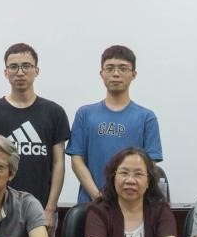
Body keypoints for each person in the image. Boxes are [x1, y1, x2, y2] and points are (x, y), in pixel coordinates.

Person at [0, 43, 70, 229]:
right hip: (0, 210)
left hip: (41, 209)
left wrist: (50, 209)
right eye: (13, 67)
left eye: (26, 66)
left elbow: (58, 163)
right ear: (6, 72)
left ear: (36, 71)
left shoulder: (54, 112)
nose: (20, 72)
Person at [67, 44, 163, 203]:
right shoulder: (85, 114)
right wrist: (97, 197)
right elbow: (77, 160)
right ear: (101, 73)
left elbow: (150, 164)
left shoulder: (146, 117)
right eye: (110, 68)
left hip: (132, 206)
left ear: (134, 74)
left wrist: (126, 198)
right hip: (91, 205)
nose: (116, 74)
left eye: (123, 68)